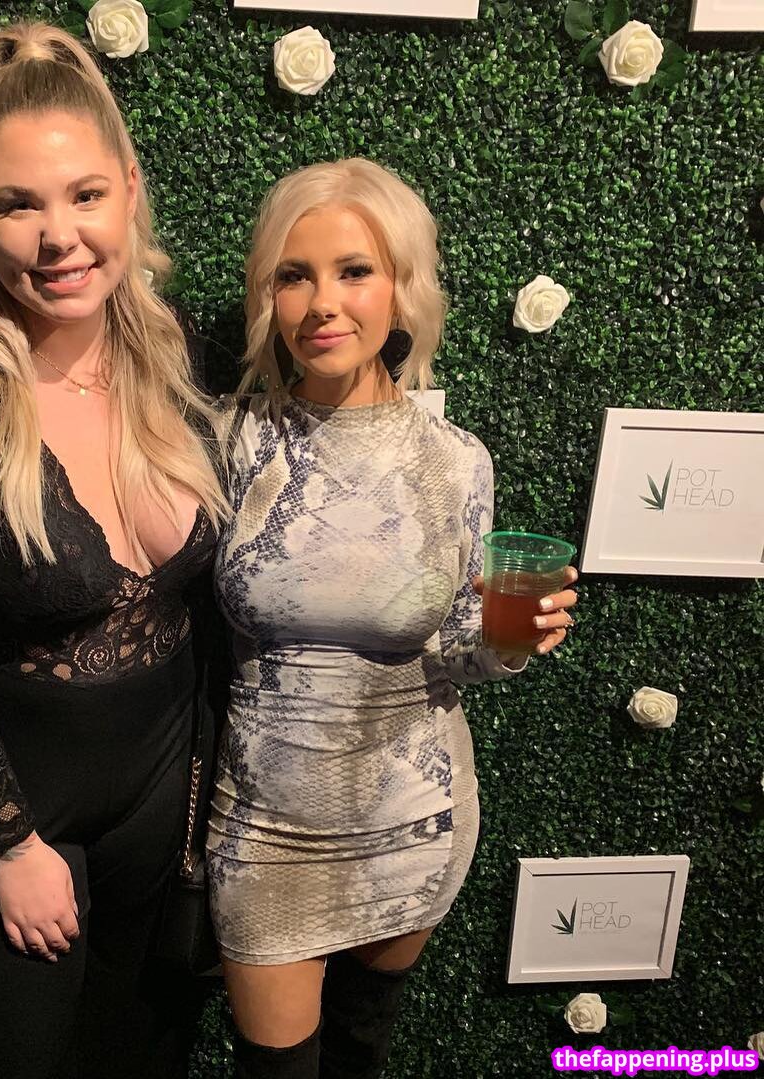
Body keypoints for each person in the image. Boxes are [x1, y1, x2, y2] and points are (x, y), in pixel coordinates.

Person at [0, 20, 230, 1079]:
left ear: (129, 190)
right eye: (20, 203)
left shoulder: (171, 349)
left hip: (164, 799)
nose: (60, 235)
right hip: (12, 821)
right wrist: (11, 843)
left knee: (147, 1060)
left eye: (85, 194)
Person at [207, 158, 580, 1079]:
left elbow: (454, 648)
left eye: (354, 272)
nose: (322, 304)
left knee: (361, 1052)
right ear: (268, 296)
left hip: (412, 813)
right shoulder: (231, 439)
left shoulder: (458, 461)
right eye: (295, 276)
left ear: (401, 288)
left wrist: (509, 642)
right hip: (264, 826)